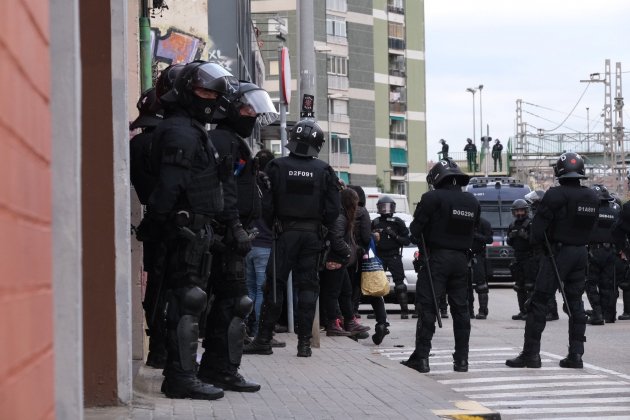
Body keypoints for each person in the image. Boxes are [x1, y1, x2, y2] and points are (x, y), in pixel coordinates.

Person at [137, 61, 238, 400]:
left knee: (189, 302)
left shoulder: (193, 129)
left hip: (195, 230)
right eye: (203, 91)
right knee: (185, 302)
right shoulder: (181, 131)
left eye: (214, 93)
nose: (209, 98)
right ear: (185, 92)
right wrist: (156, 225)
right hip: (183, 231)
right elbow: (170, 186)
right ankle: (180, 378)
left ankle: (182, 373)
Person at [196, 82, 279, 392]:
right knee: (234, 303)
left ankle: (215, 369)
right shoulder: (225, 142)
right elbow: (225, 189)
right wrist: (233, 226)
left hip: (228, 233)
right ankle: (221, 371)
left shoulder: (226, 140)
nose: (252, 113)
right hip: (226, 235)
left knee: (227, 304)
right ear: (230, 108)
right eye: (247, 108)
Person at [244, 119, 341, 358]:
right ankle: (304, 344)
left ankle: (264, 339)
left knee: (274, 285)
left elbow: (264, 205)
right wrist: (322, 229)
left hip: (283, 233)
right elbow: (333, 210)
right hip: (312, 235)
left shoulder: (277, 166)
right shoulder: (324, 170)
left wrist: (275, 224)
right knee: (308, 287)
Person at [506, 152, 599, 370]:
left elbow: (537, 231)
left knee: (538, 302)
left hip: (558, 254)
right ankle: (575, 355)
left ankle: (531, 355)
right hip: (580, 253)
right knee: (575, 303)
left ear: (559, 172)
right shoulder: (592, 197)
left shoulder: (555, 195)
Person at [402, 158, 480, 373]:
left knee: (428, 308)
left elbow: (415, 232)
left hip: (436, 260)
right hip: (461, 261)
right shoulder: (472, 201)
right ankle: (462, 360)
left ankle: (422, 358)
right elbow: (475, 230)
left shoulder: (431, 198)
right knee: (461, 310)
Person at [129, 87, 167, 368]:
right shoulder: (168, 142)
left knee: (154, 284)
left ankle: (157, 345)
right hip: (170, 221)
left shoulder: (135, 145)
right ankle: (165, 349)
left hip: (151, 219)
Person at [320, 188, 370, 337]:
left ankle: (349, 320)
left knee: (345, 291)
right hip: (335, 260)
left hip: (339, 260)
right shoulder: (341, 218)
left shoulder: (341, 216)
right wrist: (348, 252)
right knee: (334, 293)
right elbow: (336, 239)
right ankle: (334, 323)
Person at [348, 185, 390, 344]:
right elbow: (366, 238)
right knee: (374, 293)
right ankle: (381, 324)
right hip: (363, 258)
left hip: (347, 257)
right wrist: (373, 236)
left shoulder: (341, 211)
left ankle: (351, 324)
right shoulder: (362, 212)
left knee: (351, 292)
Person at [245, 149, 276, 338]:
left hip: (248, 242)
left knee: (249, 290)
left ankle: (246, 328)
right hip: (265, 244)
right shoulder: (271, 186)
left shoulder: (248, 183)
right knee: (261, 290)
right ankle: (259, 332)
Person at [585, 184, 620, 325]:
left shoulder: (590, 211)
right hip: (611, 252)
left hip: (595, 251)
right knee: (609, 284)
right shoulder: (615, 211)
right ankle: (609, 315)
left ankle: (597, 314)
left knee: (591, 283)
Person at [371, 196, 412, 318]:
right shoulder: (376, 222)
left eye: (387, 206)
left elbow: (406, 241)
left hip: (394, 255)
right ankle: (377, 311)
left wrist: (394, 235)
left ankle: (404, 311)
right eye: (382, 206)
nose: (385, 209)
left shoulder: (398, 222)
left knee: (399, 284)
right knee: (377, 283)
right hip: (380, 255)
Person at [524, 190, 560, 321]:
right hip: (535, 254)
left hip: (544, 253)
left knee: (546, 283)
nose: (532, 206)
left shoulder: (546, 216)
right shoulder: (536, 217)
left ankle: (552, 311)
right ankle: (538, 310)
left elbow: (541, 237)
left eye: (534, 203)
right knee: (535, 284)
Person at [506, 199, 536, 321]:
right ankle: (522, 311)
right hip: (518, 258)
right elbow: (509, 242)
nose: (519, 213)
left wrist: (527, 237)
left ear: (526, 210)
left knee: (530, 286)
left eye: (521, 210)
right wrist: (510, 238)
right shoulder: (512, 225)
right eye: (517, 210)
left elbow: (536, 241)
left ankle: (530, 311)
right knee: (519, 286)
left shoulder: (530, 224)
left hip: (529, 258)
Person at [469, 217, 492, 319]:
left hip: (478, 255)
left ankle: (483, 311)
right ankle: (469, 311)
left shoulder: (484, 223)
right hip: (464, 255)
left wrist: (475, 236)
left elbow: (489, 239)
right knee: (465, 285)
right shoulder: (464, 221)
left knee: (481, 285)